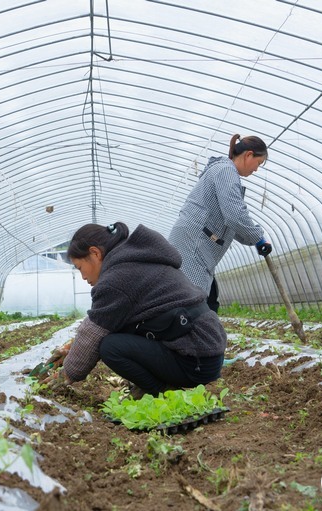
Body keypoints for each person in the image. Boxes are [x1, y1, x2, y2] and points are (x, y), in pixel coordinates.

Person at [44, 222, 227, 398]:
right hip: (206, 353)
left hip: (195, 360)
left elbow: (93, 332)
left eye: (80, 267)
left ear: (95, 253)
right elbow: (108, 322)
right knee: (115, 334)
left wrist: (66, 374)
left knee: (110, 347)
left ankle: (162, 392)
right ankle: (157, 388)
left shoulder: (117, 278)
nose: (83, 276)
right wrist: (72, 347)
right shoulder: (135, 261)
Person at [169, 134, 273, 313]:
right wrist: (258, 237)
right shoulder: (226, 171)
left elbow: (230, 222)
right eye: (259, 163)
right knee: (192, 306)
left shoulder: (222, 170)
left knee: (201, 302)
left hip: (194, 244)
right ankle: (188, 339)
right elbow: (235, 215)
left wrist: (255, 240)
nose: (256, 169)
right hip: (193, 246)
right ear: (249, 155)